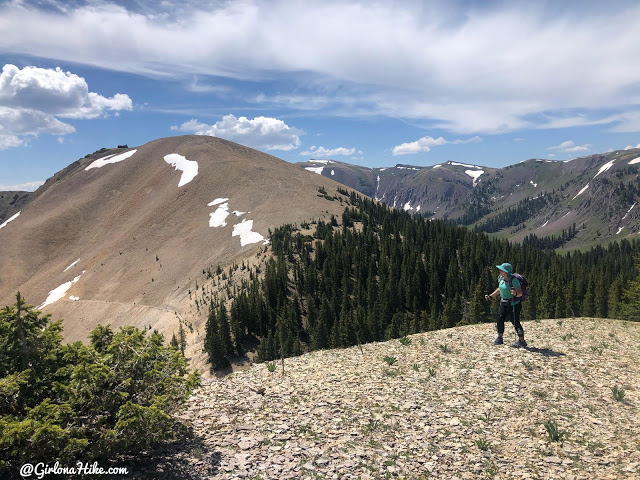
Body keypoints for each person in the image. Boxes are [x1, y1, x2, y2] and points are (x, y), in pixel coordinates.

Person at [484, 263, 527, 347]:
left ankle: (522, 341)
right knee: (499, 320)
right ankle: (499, 338)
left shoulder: (514, 280)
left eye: (501, 270)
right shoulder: (501, 278)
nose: (499, 271)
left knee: (515, 322)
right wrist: (491, 296)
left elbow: (520, 293)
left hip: (514, 304)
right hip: (503, 303)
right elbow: (499, 289)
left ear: (506, 272)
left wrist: (515, 293)